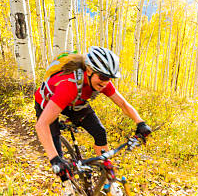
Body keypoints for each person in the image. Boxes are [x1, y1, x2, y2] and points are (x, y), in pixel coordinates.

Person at [35, 46, 151, 183]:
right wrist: (55, 159)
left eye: (109, 78)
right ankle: (67, 186)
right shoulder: (69, 86)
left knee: (100, 132)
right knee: (59, 160)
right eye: (102, 77)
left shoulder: (102, 82)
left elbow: (123, 104)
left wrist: (140, 123)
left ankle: (107, 176)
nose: (105, 82)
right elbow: (41, 125)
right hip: (49, 102)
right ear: (89, 70)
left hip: (76, 102)